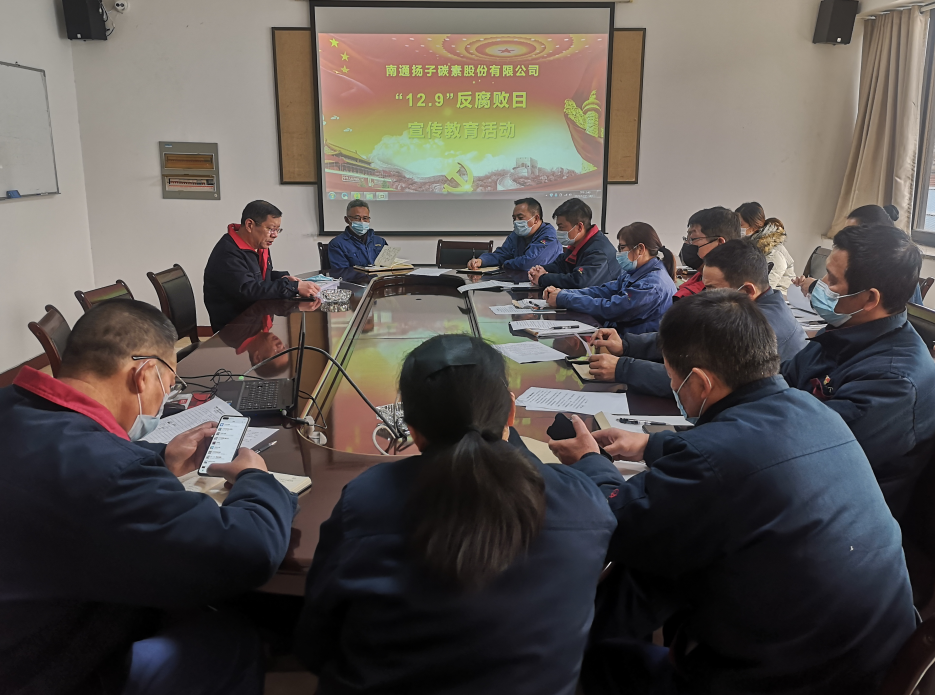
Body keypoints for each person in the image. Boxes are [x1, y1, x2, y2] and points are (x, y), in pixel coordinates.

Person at [549, 290, 915, 695]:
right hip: (870, 658)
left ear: (700, 382)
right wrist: (651, 445)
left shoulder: (712, 460)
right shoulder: (812, 409)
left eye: (672, 377)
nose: (672, 385)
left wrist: (591, 462)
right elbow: (747, 453)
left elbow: (613, 521)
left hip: (791, 679)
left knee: (605, 635)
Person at [0, 300, 298, 695]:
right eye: (169, 385)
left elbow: (67, 464)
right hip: (43, 665)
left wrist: (161, 459)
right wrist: (256, 478)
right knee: (229, 635)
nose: (164, 398)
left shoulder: (11, 403)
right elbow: (250, 550)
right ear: (143, 375)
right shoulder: (108, 473)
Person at [294, 335, 616, 695]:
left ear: (411, 429)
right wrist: (594, 462)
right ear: (511, 412)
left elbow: (314, 646)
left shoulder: (364, 500)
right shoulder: (582, 501)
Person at [782, 223, 935, 519]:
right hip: (797, 481)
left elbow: (806, 452)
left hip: (835, 515)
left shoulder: (894, 381)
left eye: (832, 279)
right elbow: (780, 383)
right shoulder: (843, 331)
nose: (819, 284)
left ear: (870, 299)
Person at [589, 239, 808, 394]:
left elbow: (699, 381)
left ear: (747, 291)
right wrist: (626, 345)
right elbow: (690, 338)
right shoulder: (744, 309)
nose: (704, 295)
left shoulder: (760, 327)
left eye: (712, 288)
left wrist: (623, 368)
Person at [204, 200, 320, 331]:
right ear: (249, 225)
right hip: (236, 330)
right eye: (271, 229)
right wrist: (292, 287)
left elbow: (260, 276)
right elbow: (248, 289)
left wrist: (282, 278)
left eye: (278, 230)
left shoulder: (259, 245)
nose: (275, 235)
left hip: (257, 320)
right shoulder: (228, 252)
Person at [543, 222, 677, 334]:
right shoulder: (636, 272)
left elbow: (611, 309)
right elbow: (603, 291)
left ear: (640, 249)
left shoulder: (652, 285)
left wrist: (565, 298)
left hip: (633, 348)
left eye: (622, 247)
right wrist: (563, 293)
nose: (619, 253)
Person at [527, 198, 620, 290]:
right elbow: (561, 266)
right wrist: (540, 270)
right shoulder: (577, 244)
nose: (558, 231)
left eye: (561, 227)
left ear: (579, 227)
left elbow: (579, 282)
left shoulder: (599, 251)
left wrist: (542, 278)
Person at [466, 197, 562, 271]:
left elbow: (530, 263)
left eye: (520, 218)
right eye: (514, 218)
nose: (516, 222)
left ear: (536, 219)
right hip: (518, 281)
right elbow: (502, 254)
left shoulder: (549, 236)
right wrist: (481, 261)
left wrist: (506, 264)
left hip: (544, 286)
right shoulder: (516, 235)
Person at [675, 206, 742, 299]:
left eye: (693, 239)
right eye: (687, 238)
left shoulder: (723, 295)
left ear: (720, 243)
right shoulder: (697, 281)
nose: (687, 244)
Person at [735, 202, 796, 291]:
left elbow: (765, 289)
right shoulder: (747, 246)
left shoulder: (774, 253)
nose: (736, 228)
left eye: (740, 225)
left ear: (754, 226)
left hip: (780, 296)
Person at [328, 199, 389, 272]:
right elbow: (342, 272)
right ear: (347, 220)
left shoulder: (380, 241)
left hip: (379, 279)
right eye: (357, 218)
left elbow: (388, 267)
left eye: (365, 218)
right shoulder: (337, 244)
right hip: (355, 279)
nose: (362, 221)